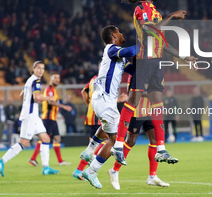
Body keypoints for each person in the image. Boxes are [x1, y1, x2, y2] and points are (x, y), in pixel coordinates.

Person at [113, 0, 197, 165]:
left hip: (157, 61)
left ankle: (161, 149)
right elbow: (151, 30)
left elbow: (162, 42)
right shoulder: (141, 9)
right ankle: (118, 144)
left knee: (157, 104)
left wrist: (184, 57)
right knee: (133, 101)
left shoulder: (155, 11)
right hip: (145, 59)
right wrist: (173, 15)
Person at [79, 25, 138, 189]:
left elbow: (132, 69)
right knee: (114, 139)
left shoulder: (117, 56)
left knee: (106, 128)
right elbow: (131, 50)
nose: (121, 33)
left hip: (101, 100)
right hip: (105, 100)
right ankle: (91, 171)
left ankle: (89, 151)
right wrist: (148, 44)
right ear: (113, 35)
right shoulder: (111, 49)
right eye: (119, 32)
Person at [0, 61, 59, 177]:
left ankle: (46, 167)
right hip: (30, 116)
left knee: (45, 138)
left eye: (42, 68)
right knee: (24, 142)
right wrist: (48, 98)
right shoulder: (36, 80)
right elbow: (36, 96)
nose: (40, 70)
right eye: (38, 68)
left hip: (33, 114)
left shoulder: (29, 80)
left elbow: (22, 96)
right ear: (33, 69)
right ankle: (2, 160)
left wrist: (28, 103)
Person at [108, 75, 169, 190]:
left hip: (150, 111)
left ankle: (152, 176)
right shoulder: (135, 72)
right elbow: (131, 92)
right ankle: (114, 170)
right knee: (131, 141)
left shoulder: (156, 71)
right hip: (136, 112)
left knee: (154, 141)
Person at [72, 73, 128, 181]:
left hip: (92, 116)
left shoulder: (94, 79)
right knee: (104, 144)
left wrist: (89, 105)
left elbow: (84, 91)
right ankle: (82, 170)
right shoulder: (103, 80)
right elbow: (104, 100)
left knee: (96, 146)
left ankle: (82, 169)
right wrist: (119, 99)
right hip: (98, 117)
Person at [29, 72, 72, 167]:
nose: (57, 79)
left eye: (58, 78)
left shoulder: (53, 89)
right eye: (55, 78)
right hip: (48, 118)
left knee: (57, 138)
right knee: (44, 138)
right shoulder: (50, 89)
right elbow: (51, 102)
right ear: (51, 79)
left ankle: (60, 161)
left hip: (53, 118)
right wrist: (64, 107)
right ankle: (33, 158)